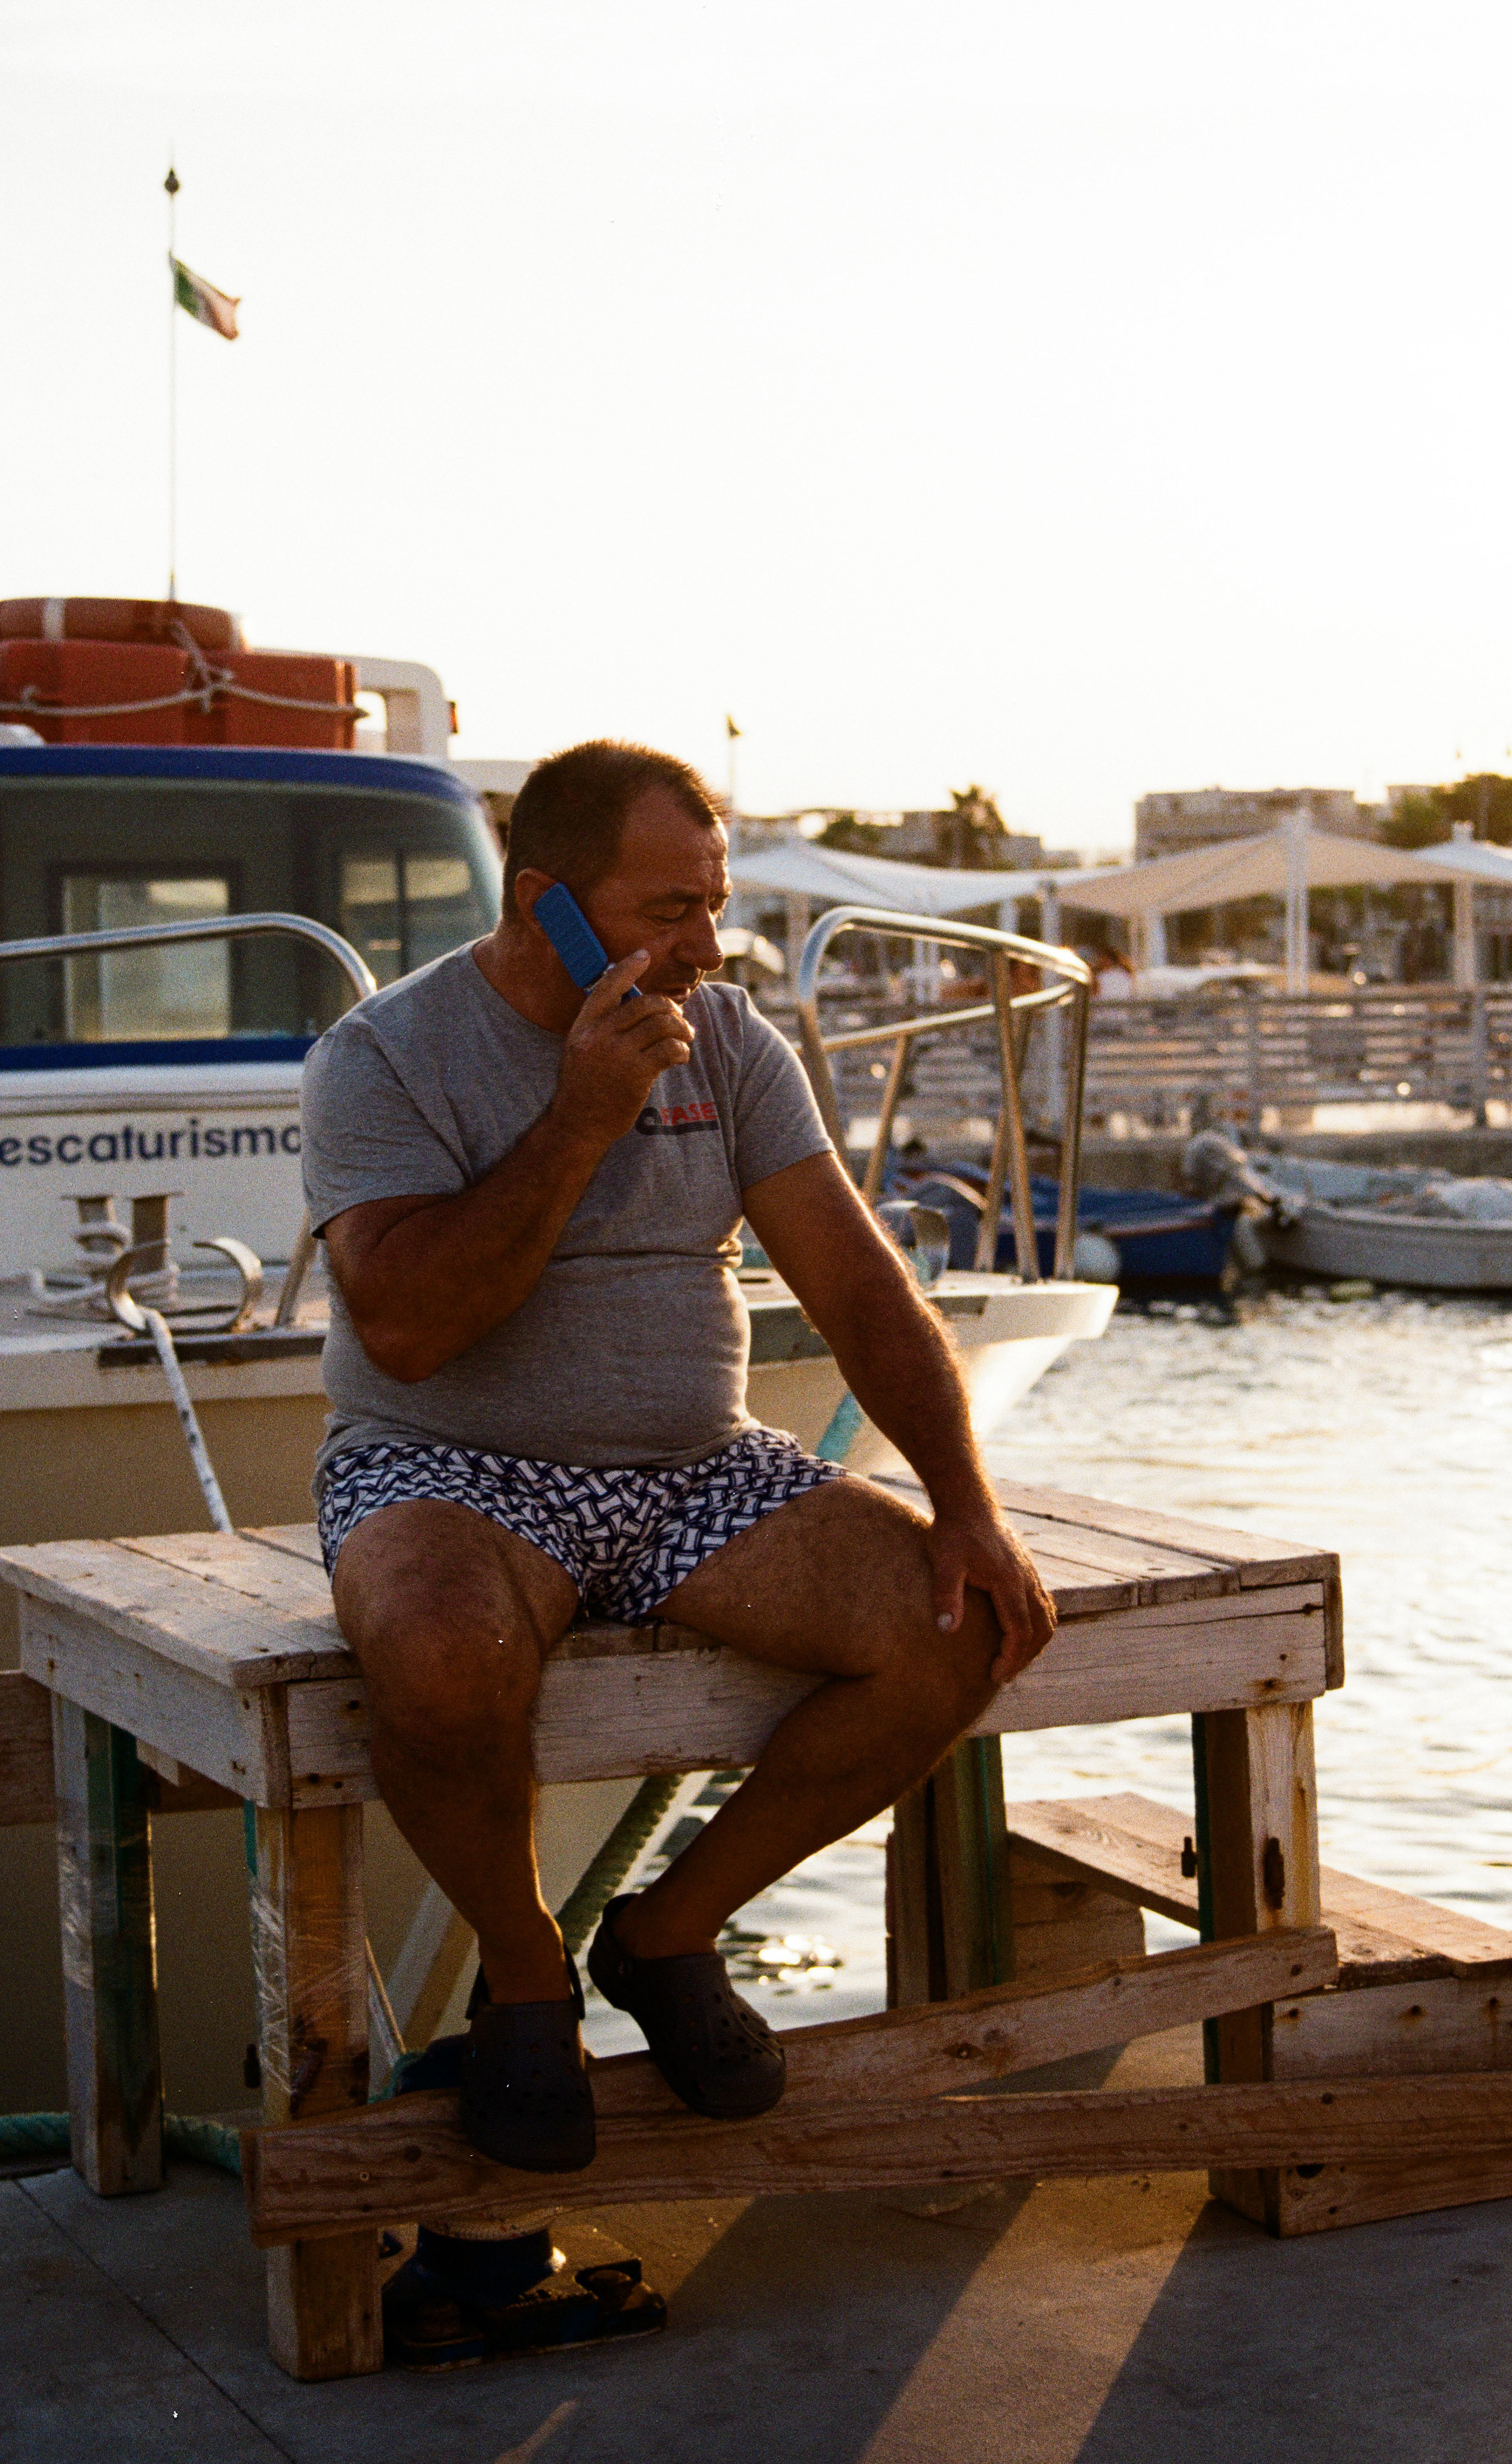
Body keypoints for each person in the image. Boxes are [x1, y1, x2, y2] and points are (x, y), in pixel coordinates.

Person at [300, 739, 1058, 2175]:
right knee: (438, 1651)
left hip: (696, 1465)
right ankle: (530, 1972)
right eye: (668, 913)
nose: (707, 949)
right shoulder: (382, 1057)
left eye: (713, 905)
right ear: (547, 908)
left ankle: (664, 1934)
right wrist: (581, 1115)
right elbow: (403, 1331)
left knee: (963, 1628)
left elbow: (859, 1288)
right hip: (451, 1462)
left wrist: (966, 1504)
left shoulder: (732, 1044)